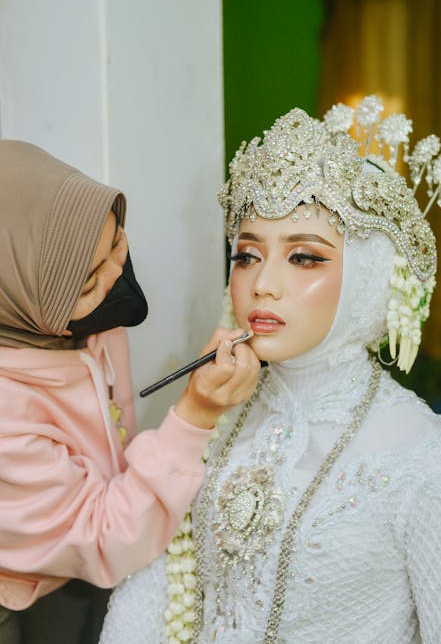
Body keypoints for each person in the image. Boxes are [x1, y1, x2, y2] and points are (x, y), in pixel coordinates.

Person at [99, 99, 441, 643]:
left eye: (304, 257)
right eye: (246, 255)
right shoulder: (213, 420)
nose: (263, 283)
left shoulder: (433, 469)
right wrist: (193, 418)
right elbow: (147, 600)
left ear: (368, 276)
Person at [0, 140, 260, 643]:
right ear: (16, 296)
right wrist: (194, 416)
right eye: (87, 282)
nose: (117, 273)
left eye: (117, 241)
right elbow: (101, 536)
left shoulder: (94, 325)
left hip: (78, 566)